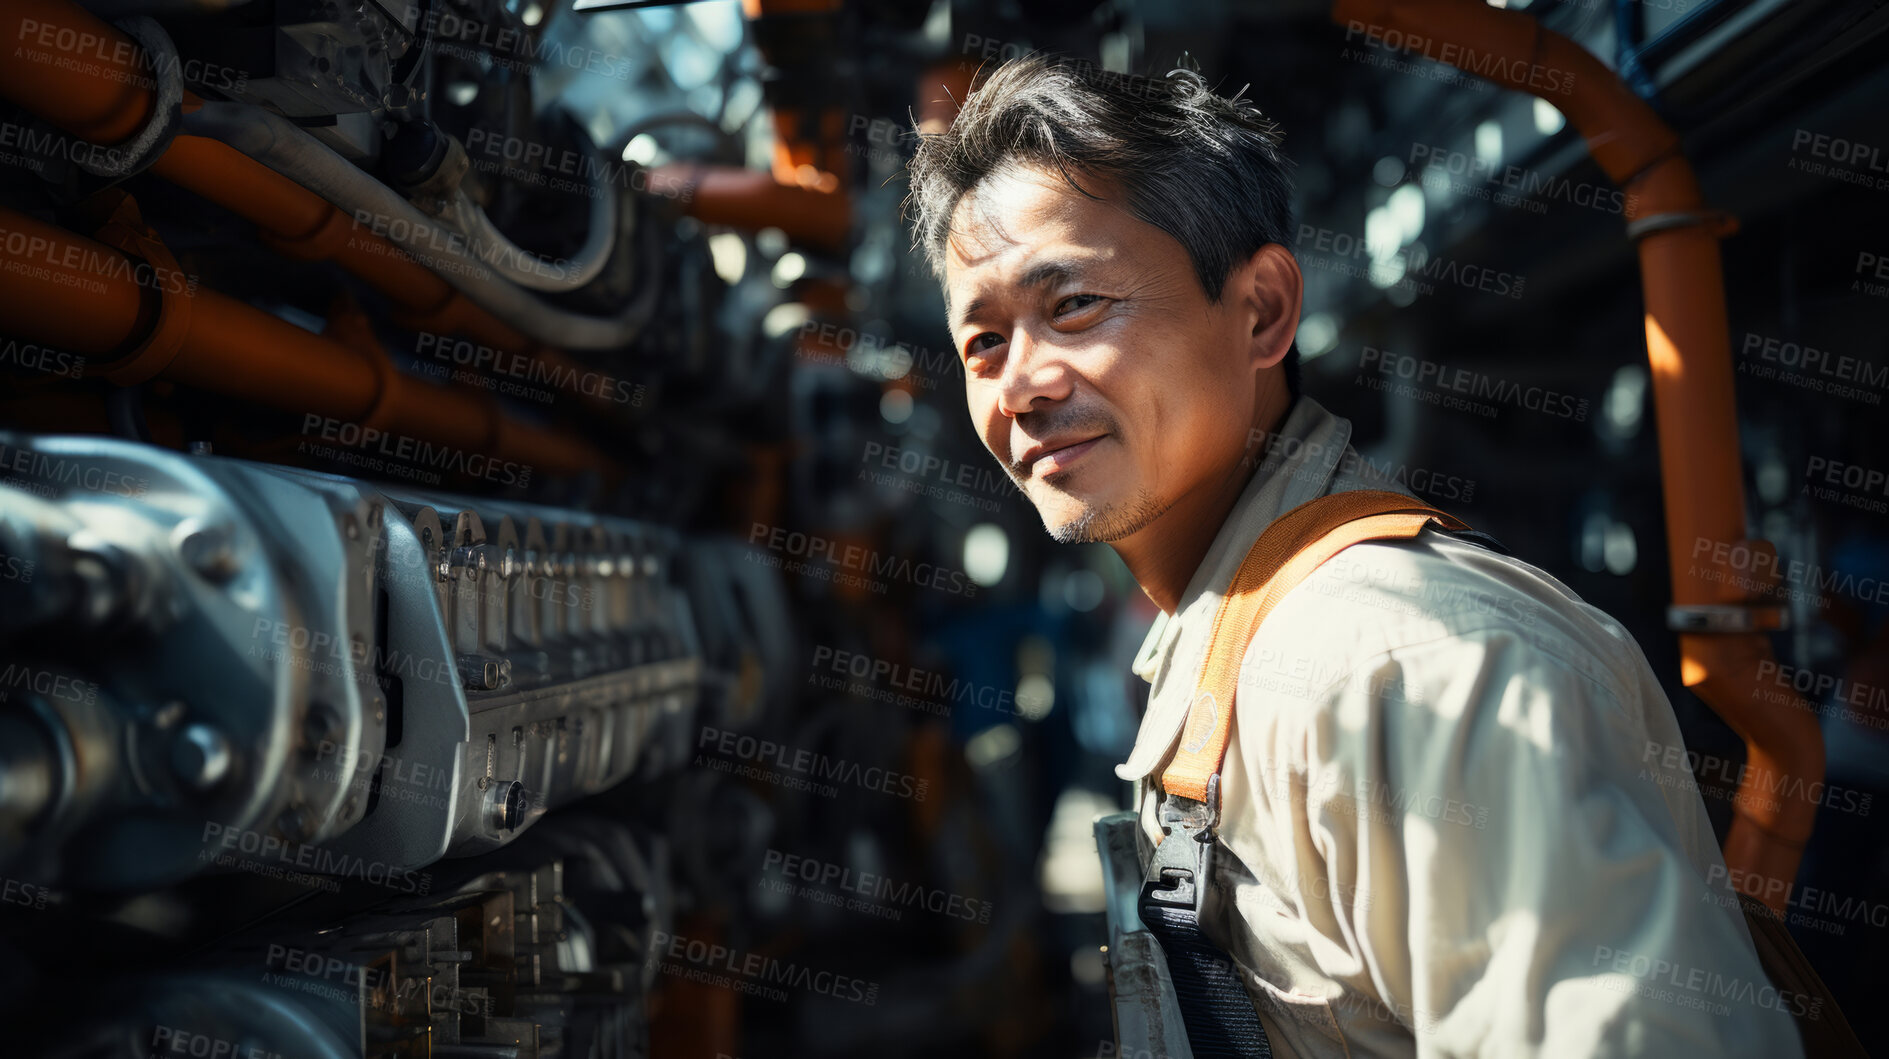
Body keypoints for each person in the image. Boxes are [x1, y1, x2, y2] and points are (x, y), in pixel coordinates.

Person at [903, 54, 1805, 1058]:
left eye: (1072, 306)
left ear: (1260, 312)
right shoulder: (1241, 638)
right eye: (982, 343)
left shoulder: (1399, 663)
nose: (1018, 386)